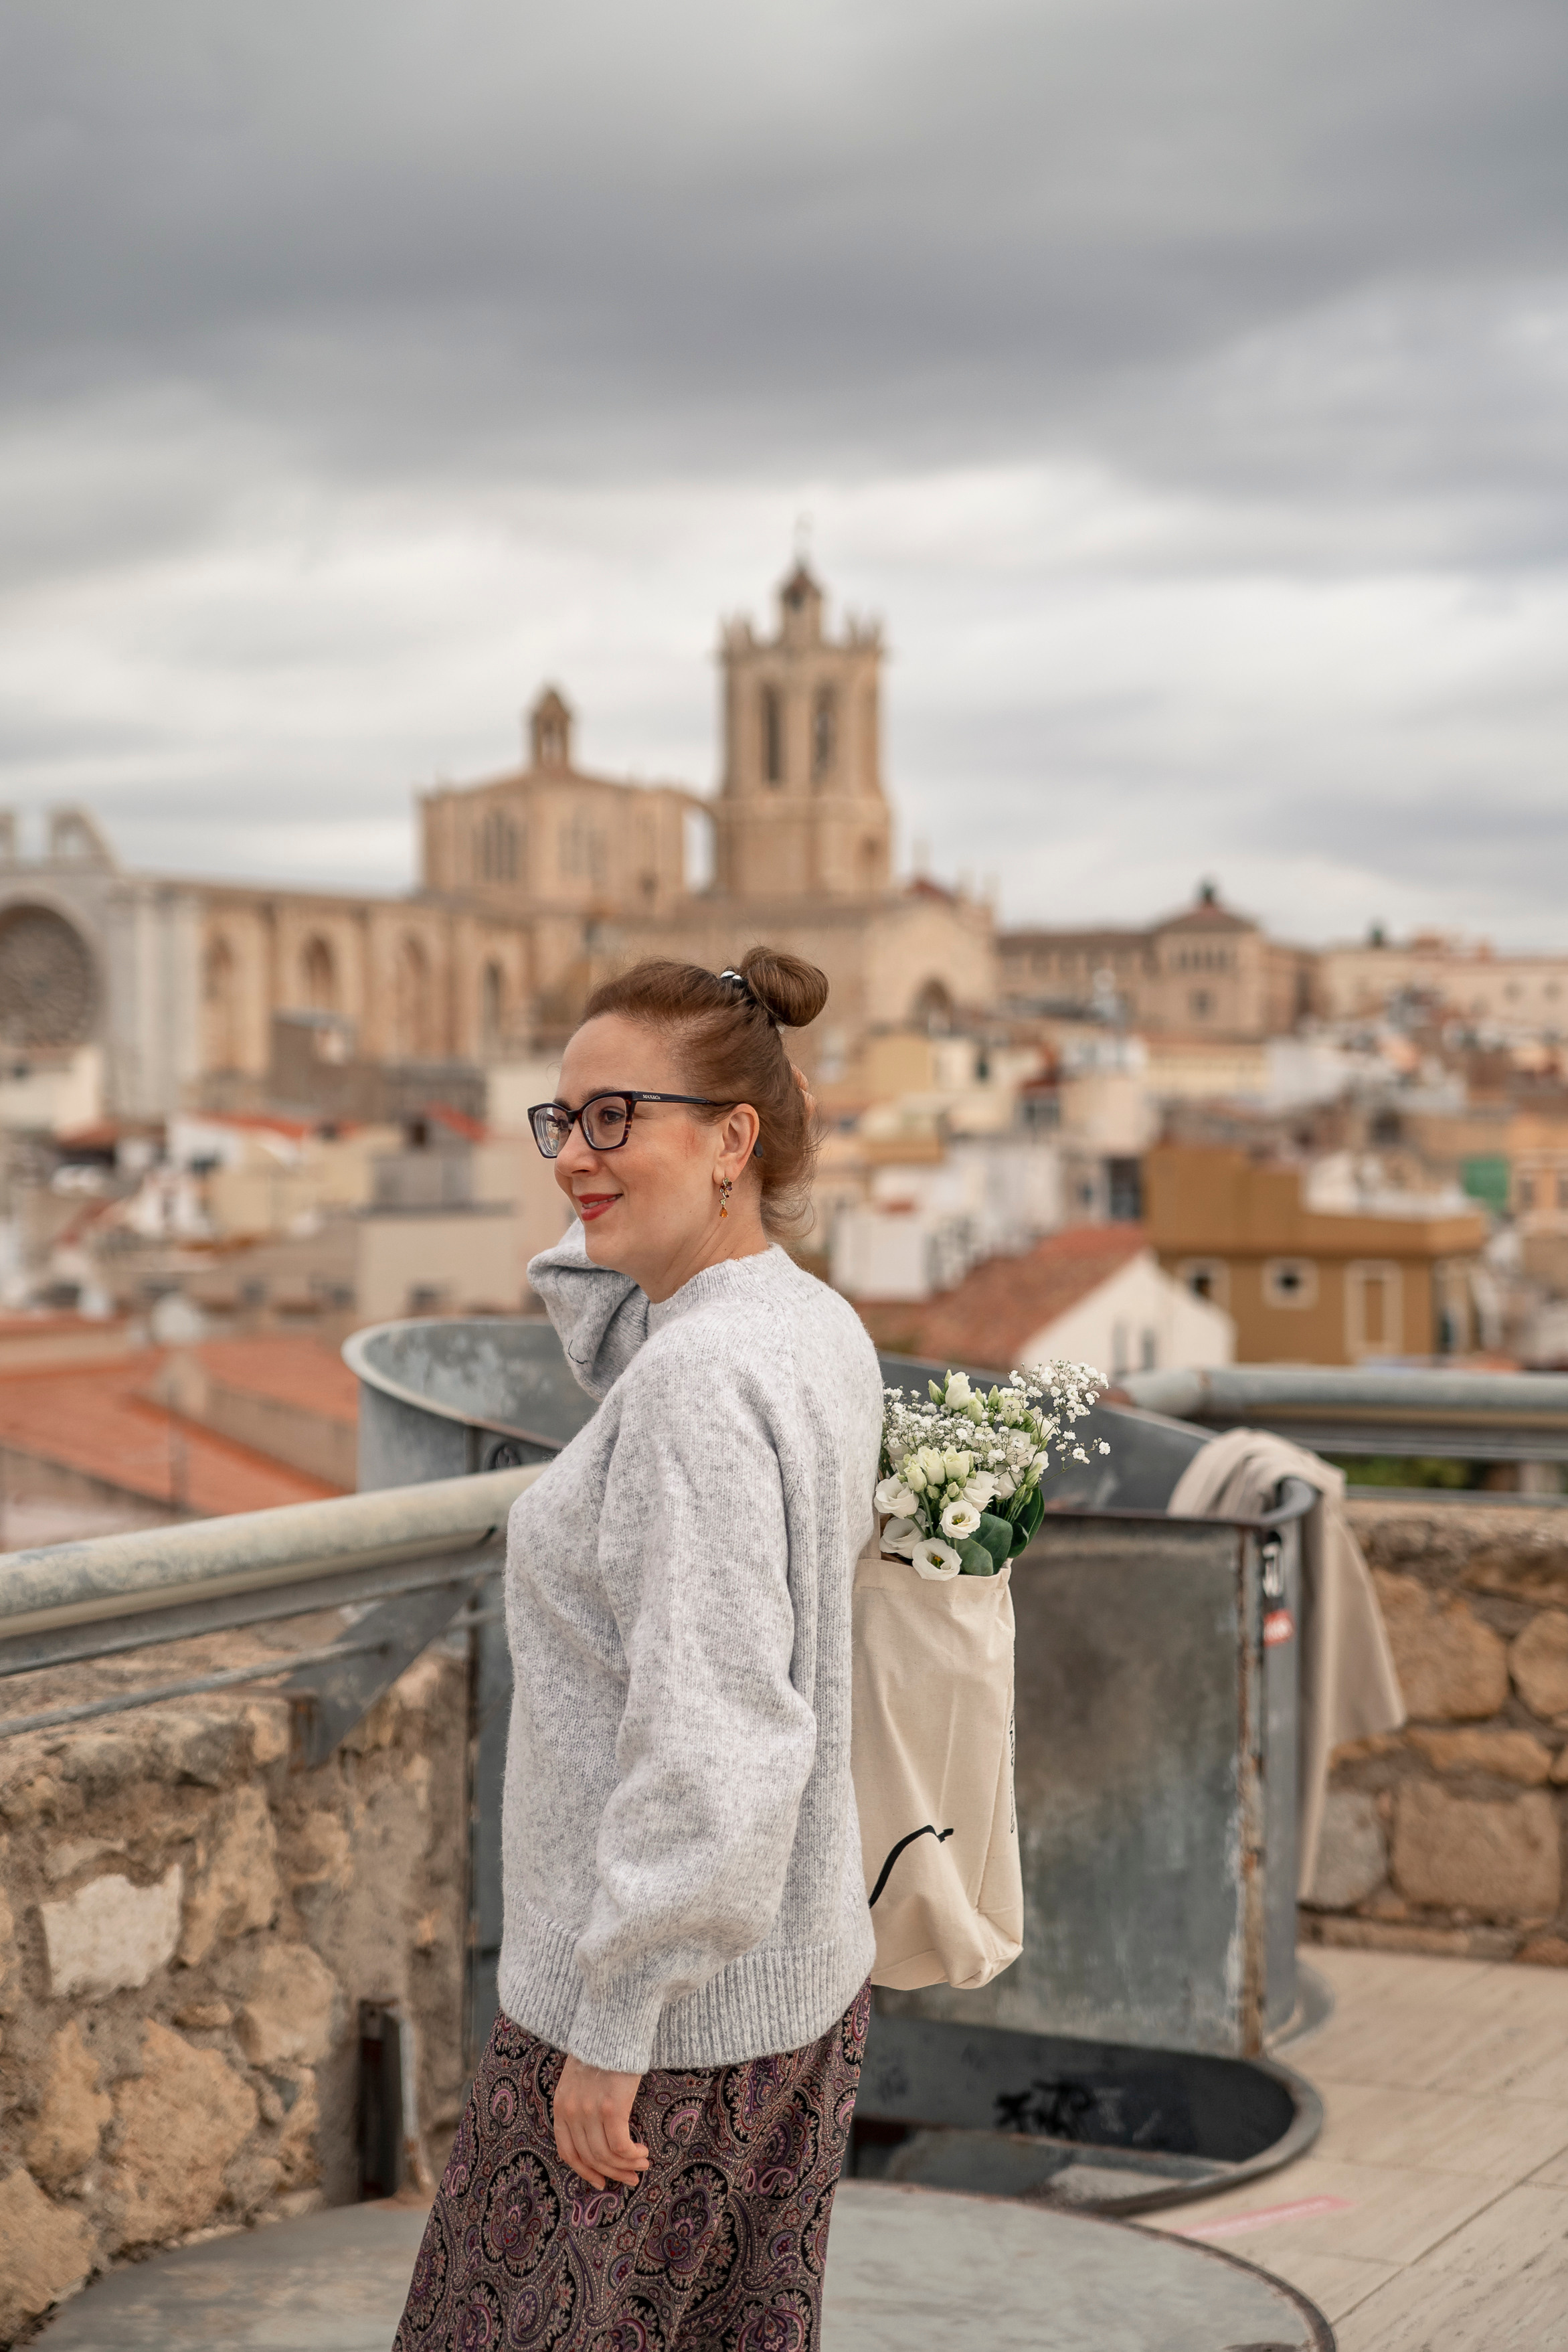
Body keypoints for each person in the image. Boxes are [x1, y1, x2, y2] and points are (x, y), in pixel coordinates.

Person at [396, 946, 881, 2352]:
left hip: (649, 2021)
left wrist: (610, 2026)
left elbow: (717, 1735)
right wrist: (617, 1191)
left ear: (732, 1137)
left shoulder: (693, 1385)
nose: (573, 1158)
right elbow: (605, 1305)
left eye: (615, 1116)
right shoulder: (803, 1320)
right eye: (560, 1121)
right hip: (782, 1985)